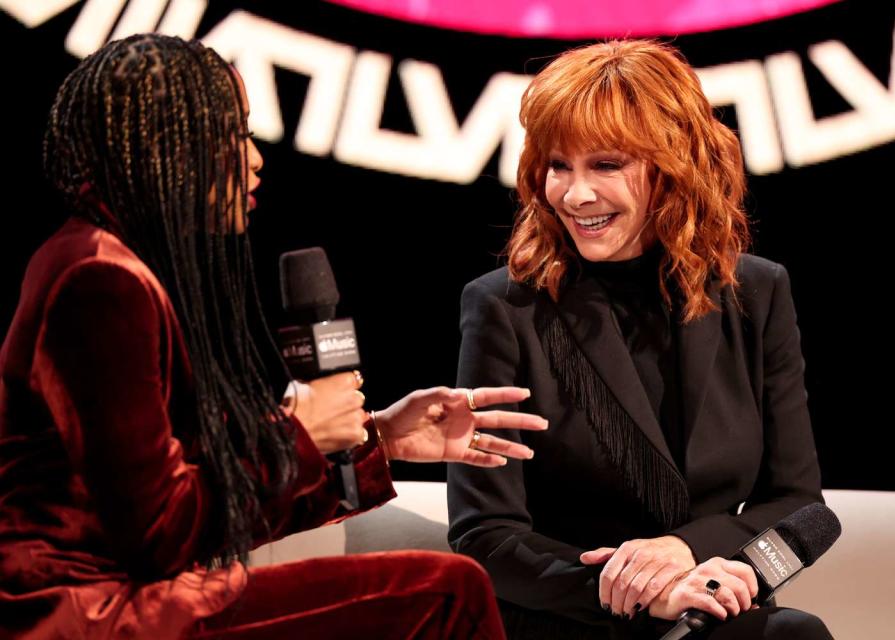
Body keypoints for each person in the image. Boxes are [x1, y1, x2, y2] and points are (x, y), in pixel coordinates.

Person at [0, 34, 548, 639]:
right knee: (448, 593)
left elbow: (198, 503)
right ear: (168, 148)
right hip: (77, 613)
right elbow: (159, 538)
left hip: (121, 596)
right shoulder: (100, 280)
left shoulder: (108, 262)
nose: (254, 158)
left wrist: (378, 442)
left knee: (443, 584)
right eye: (234, 134)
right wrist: (298, 434)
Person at [447, 40, 833, 639]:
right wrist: (637, 591)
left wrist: (685, 553)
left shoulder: (756, 292)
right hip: (567, 613)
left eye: (606, 164)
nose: (575, 195)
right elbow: (485, 534)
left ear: (676, 164)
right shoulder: (505, 306)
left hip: (700, 605)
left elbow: (799, 504)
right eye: (558, 165)